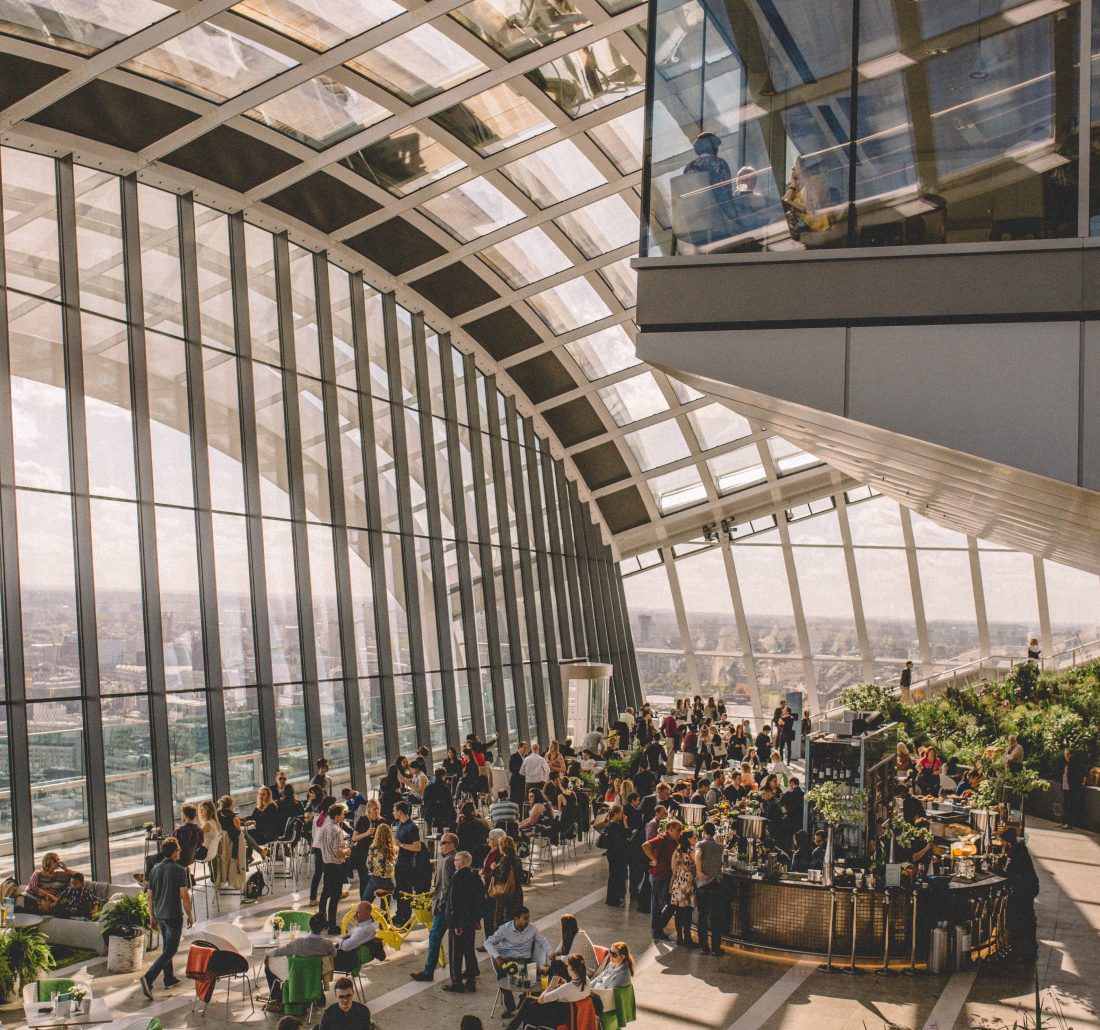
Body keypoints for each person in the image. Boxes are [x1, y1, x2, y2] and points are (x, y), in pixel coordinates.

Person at [140, 837, 193, 999]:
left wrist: (152, 916)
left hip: (160, 914)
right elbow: (184, 895)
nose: (180, 852)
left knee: (166, 947)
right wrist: (190, 914)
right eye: (178, 849)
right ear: (174, 852)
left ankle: (168, 978)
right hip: (173, 915)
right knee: (171, 949)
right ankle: (148, 978)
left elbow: (149, 896)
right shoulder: (179, 870)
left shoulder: (154, 869)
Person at [484, 907, 552, 1021]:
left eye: (528, 917)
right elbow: (488, 943)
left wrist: (550, 953)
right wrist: (497, 957)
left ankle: (525, 1001)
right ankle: (510, 1007)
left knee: (539, 981)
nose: (528, 921)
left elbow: (542, 941)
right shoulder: (504, 929)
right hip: (508, 961)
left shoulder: (532, 928)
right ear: (516, 919)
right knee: (503, 979)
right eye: (525, 918)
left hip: (525, 960)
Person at [411, 831, 457, 983]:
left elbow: (446, 886)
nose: (440, 846)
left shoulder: (448, 861)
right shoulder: (453, 859)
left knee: (434, 937)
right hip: (449, 906)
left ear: (451, 845)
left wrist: (440, 905)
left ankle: (428, 971)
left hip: (443, 908)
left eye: (443, 843)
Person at [264, 912, 335, 1009]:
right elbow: (334, 954)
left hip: (296, 976)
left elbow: (278, 952)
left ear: (310, 925)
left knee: (268, 968)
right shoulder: (327, 944)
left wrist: (267, 953)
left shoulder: (298, 943)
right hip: (316, 976)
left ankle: (277, 999)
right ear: (323, 928)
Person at [680, 131, 739, 245]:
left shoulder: (688, 168)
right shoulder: (718, 163)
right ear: (712, 146)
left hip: (696, 224)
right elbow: (725, 192)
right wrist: (735, 217)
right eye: (716, 145)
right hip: (717, 222)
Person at [997, 828, 1039, 963]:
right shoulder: (1020, 850)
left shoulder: (1013, 853)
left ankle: (1018, 950)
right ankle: (1029, 949)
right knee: (1027, 918)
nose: (1001, 844)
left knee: (1017, 919)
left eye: (1002, 842)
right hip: (1030, 888)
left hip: (1023, 891)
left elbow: (1007, 872)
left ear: (1008, 842)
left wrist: (995, 868)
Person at [446, 850, 484, 993]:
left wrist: (455, 924)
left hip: (459, 922)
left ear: (460, 863)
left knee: (456, 952)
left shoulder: (457, 878)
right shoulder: (475, 877)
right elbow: (480, 900)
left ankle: (456, 982)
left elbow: (454, 902)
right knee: (469, 950)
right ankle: (471, 980)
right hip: (470, 922)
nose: (454, 862)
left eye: (455, 860)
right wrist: (477, 919)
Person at [642, 818, 682, 941]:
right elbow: (645, 845)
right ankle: (656, 930)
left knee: (670, 902)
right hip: (659, 875)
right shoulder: (661, 839)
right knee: (657, 903)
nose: (679, 832)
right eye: (678, 830)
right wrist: (654, 859)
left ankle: (658, 926)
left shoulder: (674, 840)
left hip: (667, 875)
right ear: (670, 830)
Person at [530, 953, 591, 1030]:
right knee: (529, 1004)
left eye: (567, 965)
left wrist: (552, 985)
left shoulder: (566, 988)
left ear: (571, 967)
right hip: (573, 1016)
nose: (566, 967)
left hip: (558, 1018)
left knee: (529, 1004)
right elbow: (571, 992)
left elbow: (541, 1000)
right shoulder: (587, 981)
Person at [317, 803, 351, 934]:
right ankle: (332, 925)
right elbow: (338, 852)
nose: (344, 816)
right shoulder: (337, 830)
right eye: (342, 814)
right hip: (336, 866)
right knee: (335, 896)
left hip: (326, 864)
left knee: (325, 893)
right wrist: (347, 851)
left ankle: (321, 921)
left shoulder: (325, 827)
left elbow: (321, 844)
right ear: (337, 816)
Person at [393, 801, 427, 925]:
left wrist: (401, 845)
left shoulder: (412, 827)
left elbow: (417, 847)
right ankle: (399, 914)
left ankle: (405, 918)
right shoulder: (400, 824)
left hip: (408, 864)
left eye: (394, 810)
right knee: (399, 891)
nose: (393, 813)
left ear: (400, 811)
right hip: (400, 863)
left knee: (406, 891)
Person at [694, 821, 724, 955]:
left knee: (702, 917)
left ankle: (704, 947)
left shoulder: (700, 844)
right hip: (715, 884)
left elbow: (698, 855)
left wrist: (699, 871)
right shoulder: (720, 846)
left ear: (704, 832)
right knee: (715, 918)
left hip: (702, 884)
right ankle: (716, 948)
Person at [599, 803, 631, 908]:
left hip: (613, 854)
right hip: (616, 854)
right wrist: (625, 823)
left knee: (614, 877)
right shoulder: (614, 825)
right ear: (616, 814)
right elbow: (623, 837)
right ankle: (614, 900)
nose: (623, 815)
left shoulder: (611, 824)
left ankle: (613, 899)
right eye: (621, 813)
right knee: (616, 877)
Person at [548, 914, 598, 980]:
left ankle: (557, 984)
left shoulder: (580, 936)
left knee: (559, 965)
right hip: (575, 964)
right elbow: (560, 948)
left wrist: (557, 958)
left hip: (586, 968)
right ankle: (553, 982)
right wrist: (555, 953)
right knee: (556, 963)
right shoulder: (570, 934)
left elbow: (571, 958)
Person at [669, 830, 697, 947]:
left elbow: (673, 867)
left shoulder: (677, 851)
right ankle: (688, 938)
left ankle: (679, 937)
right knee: (688, 912)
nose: (695, 839)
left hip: (677, 884)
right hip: (688, 885)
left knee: (679, 912)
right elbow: (698, 866)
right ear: (689, 839)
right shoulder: (691, 852)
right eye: (693, 837)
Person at [489, 835, 524, 927]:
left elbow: (502, 878)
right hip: (517, 892)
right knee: (514, 921)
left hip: (506, 895)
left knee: (503, 921)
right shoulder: (517, 859)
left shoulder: (505, 860)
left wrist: (494, 869)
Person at [333, 901, 378, 972]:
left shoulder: (364, 930)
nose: (355, 915)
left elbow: (346, 946)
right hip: (350, 956)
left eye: (358, 913)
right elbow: (349, 936)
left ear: (367, 914)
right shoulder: (368, 926)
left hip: (347, 962)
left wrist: (338, 939)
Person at [362, 821, 397, 904]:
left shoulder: (373, 847)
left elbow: (368, 864)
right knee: (385, 907)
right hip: (390, 881)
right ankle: (385, 916)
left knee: (365, 902)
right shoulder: (393, 847)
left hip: (376, 879)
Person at [456, 802, 491, 867]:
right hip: (480, 854)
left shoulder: (461, 825)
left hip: (465, 855)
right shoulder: (481, 823)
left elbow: (458, 841)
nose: (476, 810)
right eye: (475, 809)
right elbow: (489, 835)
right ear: (472, 812)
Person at [1059, 747, 1087, 829]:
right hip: (1065, 786)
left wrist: (1077, 785)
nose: (1066, 756)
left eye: (1068, 754)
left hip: (1072, 787)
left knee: (1071, 805)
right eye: (1065, 754)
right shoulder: (1065, 764)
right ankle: (1063, 822)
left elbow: (1077, 775)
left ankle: (1070, 823)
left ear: (1071, 755)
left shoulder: (1074, 764)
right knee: (1065, 804)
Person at [422, 768, 457, 833]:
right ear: (443, 777)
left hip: (429, 814)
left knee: (429, 832)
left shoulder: (428, 787)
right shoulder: (445, 788)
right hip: (442, 815)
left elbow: (425, 801)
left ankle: (430, 840)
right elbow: (449, 804)